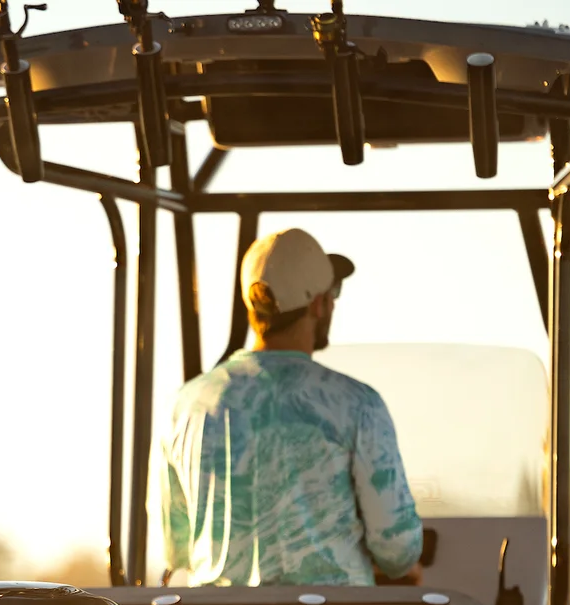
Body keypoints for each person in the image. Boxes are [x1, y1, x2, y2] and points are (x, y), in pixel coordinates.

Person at [160, 228, 424, 586]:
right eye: (333, 292)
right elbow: (398, 552)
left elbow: (178, 552)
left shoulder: (185, 407)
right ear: (320, 304)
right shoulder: (359, 406)